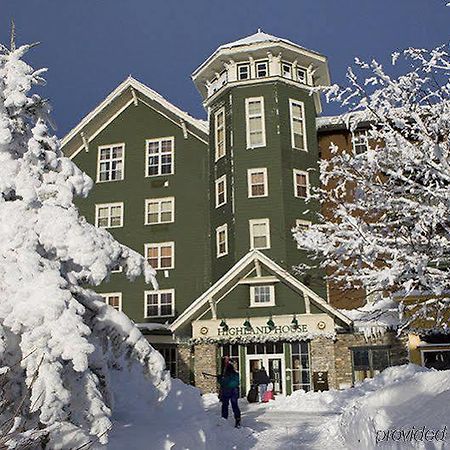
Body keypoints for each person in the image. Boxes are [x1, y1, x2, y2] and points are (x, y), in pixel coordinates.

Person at [219, 362, 241, 428]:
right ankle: (237, 419)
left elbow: (222, 383)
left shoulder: (225, 375)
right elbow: (237, 382)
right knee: (235, 405)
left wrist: (220, 378)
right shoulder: (236, 374)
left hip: (226, 391)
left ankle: (224, 419)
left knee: (225, 405)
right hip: (234, 391)